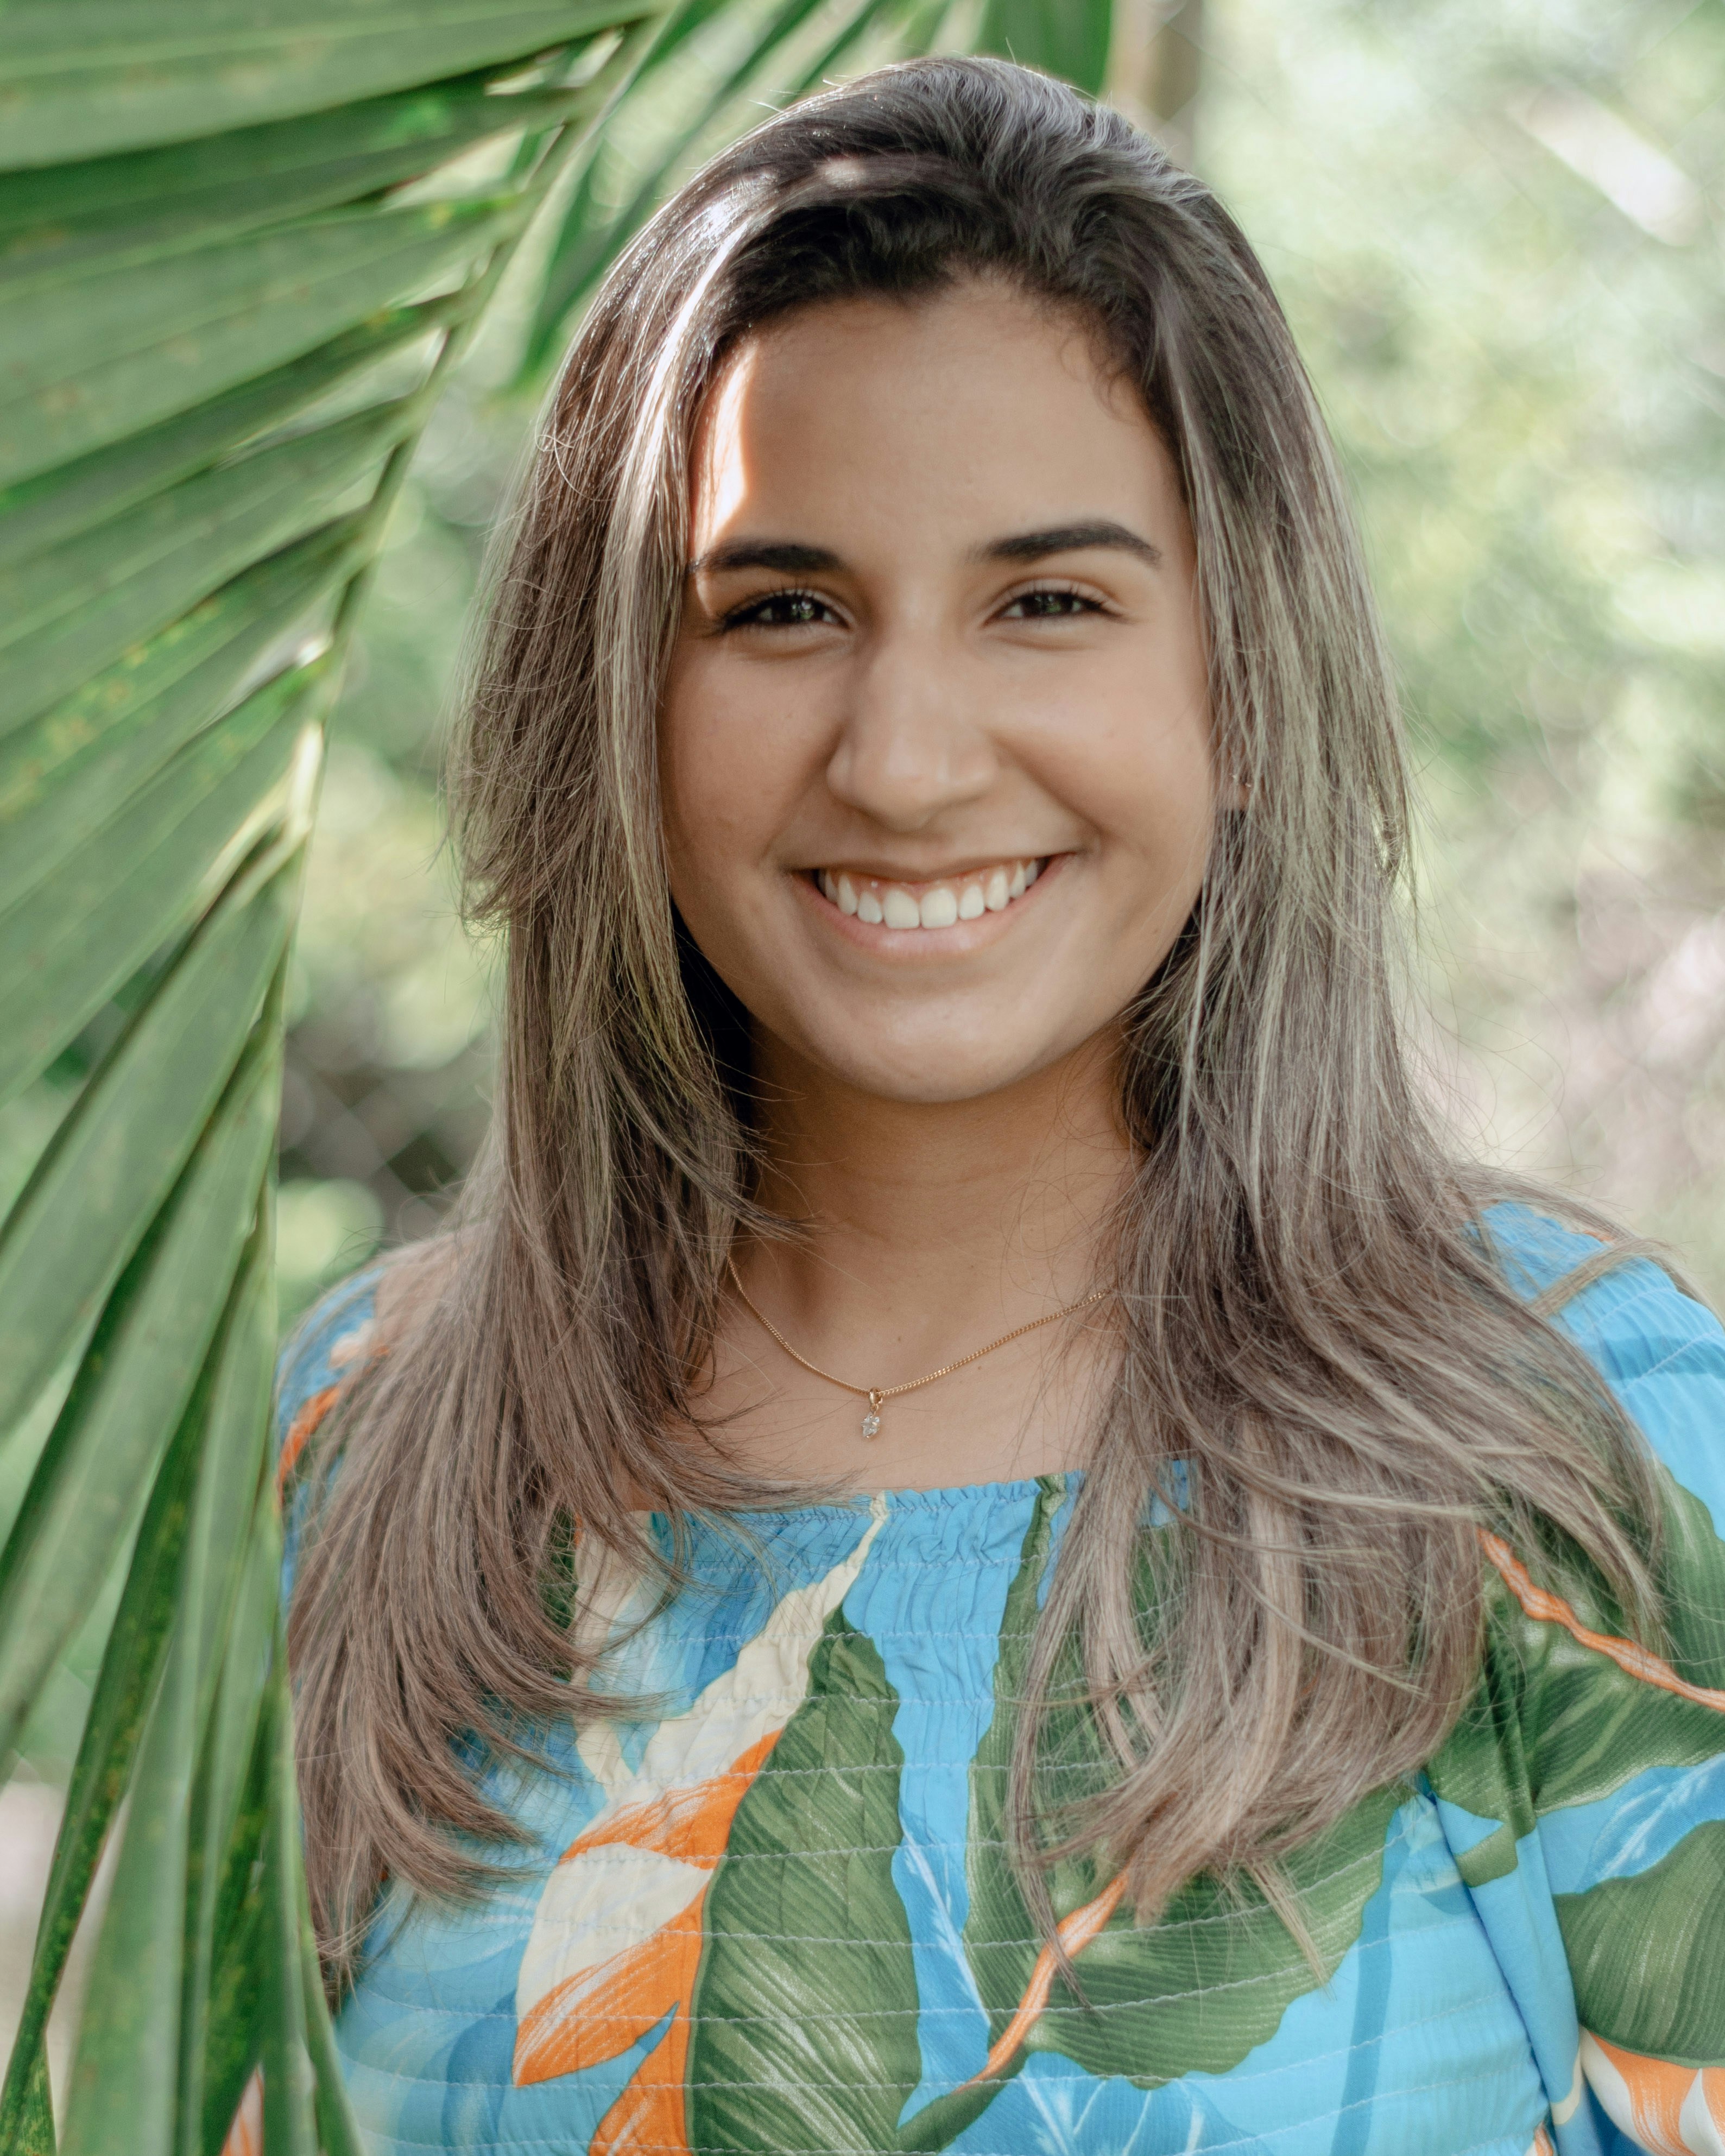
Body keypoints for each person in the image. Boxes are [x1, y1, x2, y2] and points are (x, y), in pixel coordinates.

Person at [274, 54, 1725, 2156]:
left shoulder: (1574, 1447)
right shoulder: (365, 1452)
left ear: (1243, 688)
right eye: (782, 609)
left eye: (1047, 601)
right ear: (612, 697)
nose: (908, 757)